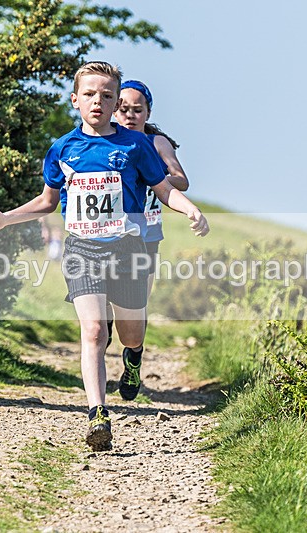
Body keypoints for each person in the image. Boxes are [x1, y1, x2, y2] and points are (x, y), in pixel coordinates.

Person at [0, 61, 209, 451]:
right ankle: (97, 413)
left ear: (117, 101)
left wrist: (189, 209)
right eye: (89, 94)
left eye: (106, 95)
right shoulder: (62, 148)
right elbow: (47, 203)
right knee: (94, 331)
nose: (97, 102)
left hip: (128, 249)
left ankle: (133, 358)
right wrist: (6, 219)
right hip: (82, 250)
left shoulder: (136, 145)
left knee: (128, 332)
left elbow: (164, 188)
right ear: (75, 100)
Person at [106, 79, 190, 400]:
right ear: (114, 110)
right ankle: (102, 338)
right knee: (102, 305)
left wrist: (152, 178)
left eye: (137, 110)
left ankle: (133, 359)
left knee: (136, 304)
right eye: (123, 109)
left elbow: (181, 180)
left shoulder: (157, 144)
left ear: (148, 112)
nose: (129, 115)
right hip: (111, 233)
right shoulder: (108, 142)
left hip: (148, 236)